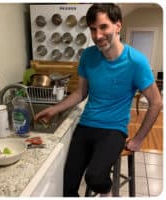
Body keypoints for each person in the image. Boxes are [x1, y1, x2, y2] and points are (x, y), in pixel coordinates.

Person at [34, 3, 162, 197]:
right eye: (93, 29)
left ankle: (107, 191)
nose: (97, 36)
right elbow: (80, 93)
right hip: (86, 125)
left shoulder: (136, 61)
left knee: (94, 177)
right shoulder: (88, 56)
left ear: (118, 25)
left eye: (103, 27)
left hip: (113, 129)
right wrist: (54, 109)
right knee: (67, 185)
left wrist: (139, 139)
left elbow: (156, 102)